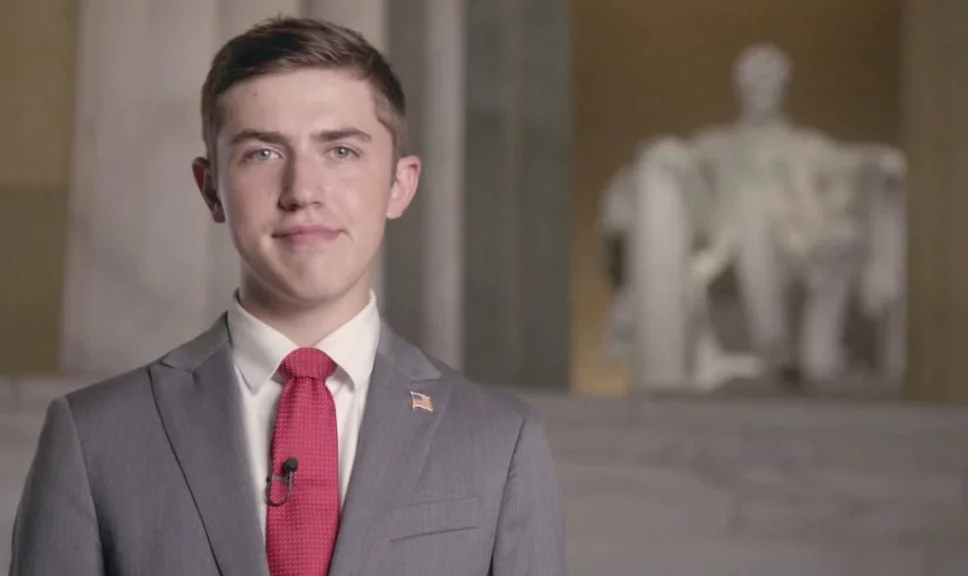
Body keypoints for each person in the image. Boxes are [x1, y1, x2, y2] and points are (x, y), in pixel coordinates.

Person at [10, 17, 567, 576]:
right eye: (262, 154)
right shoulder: (93, 437)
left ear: (400, 185)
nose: (303, 191)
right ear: (211, 189)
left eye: (342, 151)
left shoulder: (499, 441)